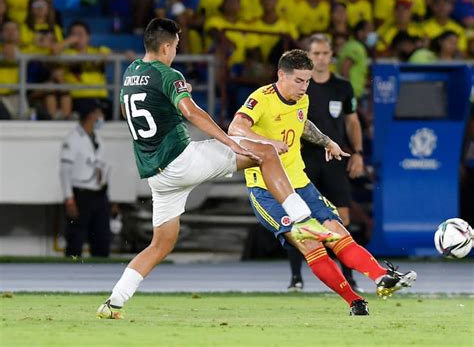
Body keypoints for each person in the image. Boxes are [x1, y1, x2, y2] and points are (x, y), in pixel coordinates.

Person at [97, 18, 341, 319]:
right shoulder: (167, 74)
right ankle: (303, 218)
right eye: (175, 46)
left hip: (157, 174)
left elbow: (126, 111)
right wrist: (229, 141)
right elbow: (190, 111)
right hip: (181, 160)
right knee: (264, 150)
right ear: (165, 46)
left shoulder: (131, 73)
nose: (175, 51)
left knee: (161, 243)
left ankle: (114, 301)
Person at [228, 48, 417, 316]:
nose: (304, 87)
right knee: (311, 244)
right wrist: (268, 143)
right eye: (298, 81)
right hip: (267, 191)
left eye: (307, 81)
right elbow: (235, 128)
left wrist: (328, 141)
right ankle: (354, 301)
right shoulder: (261, 99)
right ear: (281, 75)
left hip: (301, 184)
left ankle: (380, 277)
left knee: (339, 232)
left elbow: (302, 124)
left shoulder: (301, 99)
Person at [285, 34, 365, 292]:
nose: (320, 59)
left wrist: (358, 153)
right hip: (303, 158)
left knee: (341, 216)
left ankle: (349, 278)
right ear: (308, 57)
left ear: (332, 56)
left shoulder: (342, 87)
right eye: (315, 54)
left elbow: (352, 121)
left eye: (325, 53)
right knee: (300, 217)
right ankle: (296, 278)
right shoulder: (299, 86)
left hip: (334, 159)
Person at [59, 100, 111, 258]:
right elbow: (64, 171)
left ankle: (100, 277)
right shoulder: (73, 138)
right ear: (91, 115)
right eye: (99, 113)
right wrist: (69, 199)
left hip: (99, 194)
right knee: (76, 239)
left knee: (102, 238)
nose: (101, 117)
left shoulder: (98, 139)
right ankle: (70, 276)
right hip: (80, 194)